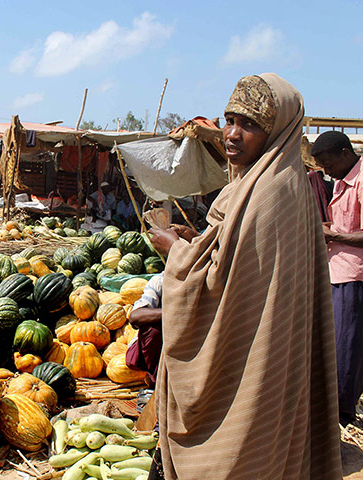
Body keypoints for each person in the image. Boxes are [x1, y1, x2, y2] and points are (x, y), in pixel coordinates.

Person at [149, 74, 341, 479]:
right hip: (262, 349)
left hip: (254, 359)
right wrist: (198, 241)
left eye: (250, 125)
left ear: (278, 131)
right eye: (229, 119)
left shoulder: (272, 192)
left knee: (242, 452)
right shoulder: (258, 183)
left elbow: (224, 285)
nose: (232, 135)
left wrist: (176, 253)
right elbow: (233, 255)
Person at [311, 131, 363, 426]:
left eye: (328, 164)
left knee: (346, 347)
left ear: (345, 153)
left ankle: (342, 414)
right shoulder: (342, 181)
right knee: (339, 344)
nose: (326, 172)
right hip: (338, 271)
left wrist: (332, 234)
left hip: (353, 275)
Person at [125, 273, 163, 384]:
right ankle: (155, 378)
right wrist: (174, 313)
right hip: (158, 349)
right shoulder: (160, 281)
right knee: (152, 329)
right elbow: (135, 316)